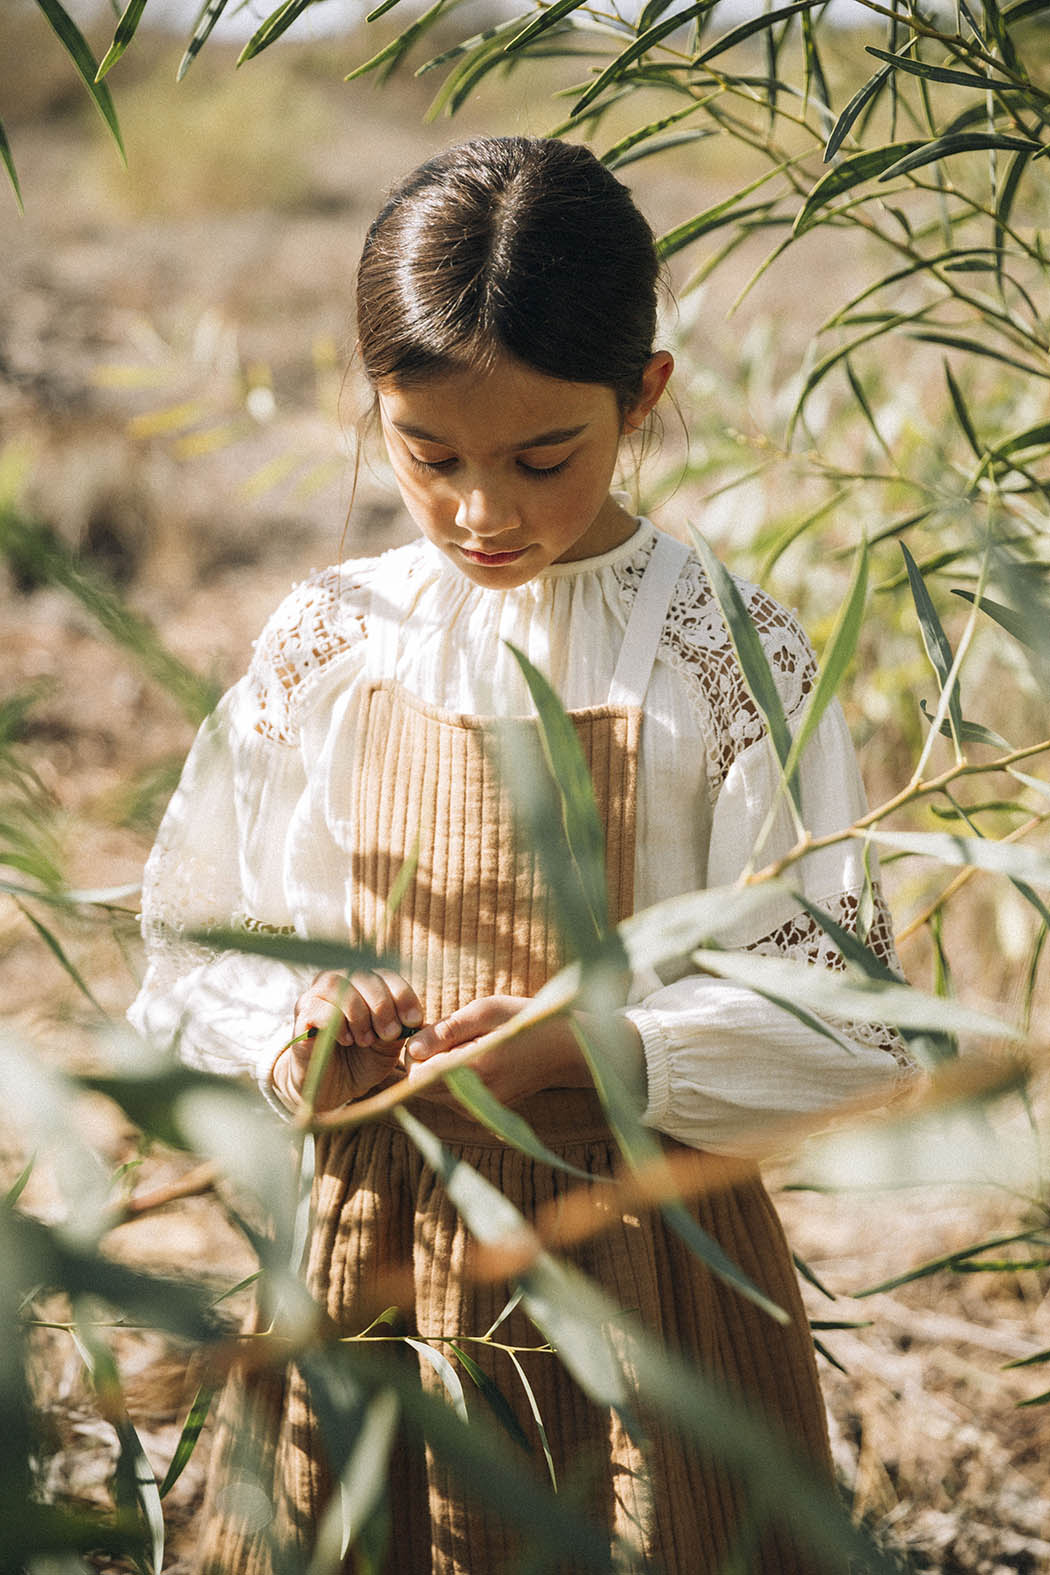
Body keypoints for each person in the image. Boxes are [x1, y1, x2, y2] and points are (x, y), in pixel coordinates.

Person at [129, 136, 913, 1574]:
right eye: (427, 458)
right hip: (374, 1244)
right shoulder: (338, 640)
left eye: (541, 458)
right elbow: (196, 941)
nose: (483, 513)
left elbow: (852, 1013)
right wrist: (301, 1030)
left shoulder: (719, 652)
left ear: (644, 397)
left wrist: (584, 1046)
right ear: (372, 408)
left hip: (649, 1276)